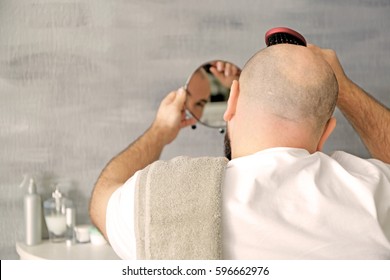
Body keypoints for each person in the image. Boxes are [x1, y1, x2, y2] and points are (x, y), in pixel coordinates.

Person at [89, 44, 390, 259]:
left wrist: (159, 133)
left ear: (231, 101)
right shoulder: (374, 192)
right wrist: (345, 89)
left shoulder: (156, 199)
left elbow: (102, 198)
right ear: (327, 132)